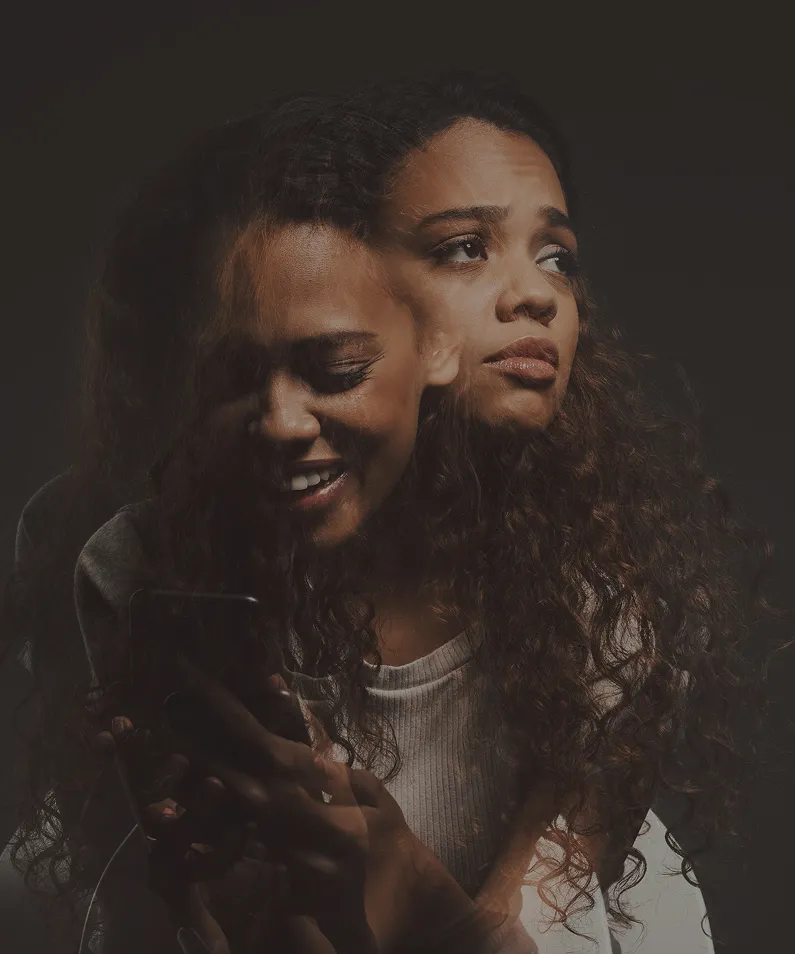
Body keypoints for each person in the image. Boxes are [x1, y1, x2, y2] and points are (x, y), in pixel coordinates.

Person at [5, 73, 773, 953]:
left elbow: (525, 923)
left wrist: (411, 896)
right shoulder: (144, 564)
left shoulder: (594, 605)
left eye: (556, 257)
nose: (533, 294)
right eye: (463, 248)